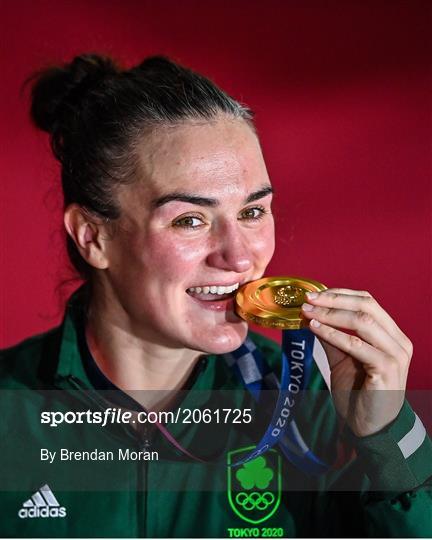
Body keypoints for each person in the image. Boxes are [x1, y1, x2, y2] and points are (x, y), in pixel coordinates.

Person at [0, 53, 431, 539]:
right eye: (190, 220)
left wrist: (386, 436)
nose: (240, 257)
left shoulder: (312, 403)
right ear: (92, 237)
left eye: (253, 212)